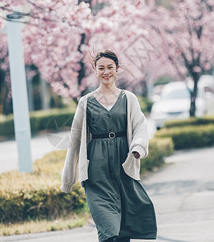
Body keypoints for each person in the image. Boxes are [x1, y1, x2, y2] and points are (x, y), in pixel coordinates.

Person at [61, 50, 157, 242]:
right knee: (108, 229)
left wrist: (137, 148)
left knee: (124, 229)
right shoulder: (85, 102)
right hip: (97, 170)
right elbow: (76, 139)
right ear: (95, 71)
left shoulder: (129, 99)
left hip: (123, 165)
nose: (106, 72)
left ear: (117, 69)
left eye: (110, 67)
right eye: (101, 68)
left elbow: (140, 126)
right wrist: (68, 178)